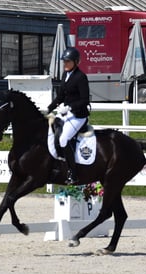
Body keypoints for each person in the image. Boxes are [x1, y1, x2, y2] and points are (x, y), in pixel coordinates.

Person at [47, 47, 91, 185]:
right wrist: (48, 108)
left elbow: (85, 100)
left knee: (64, 139)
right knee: (51, 132)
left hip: (78, 116)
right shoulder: (65, 75)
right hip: (65, 113)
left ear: (76, 62)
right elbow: (60, 96)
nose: (65, 64)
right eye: (64, 61)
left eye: (68, 61)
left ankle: (73, 172)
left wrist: (70, 107)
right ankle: (56, 165)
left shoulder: (81, 77)